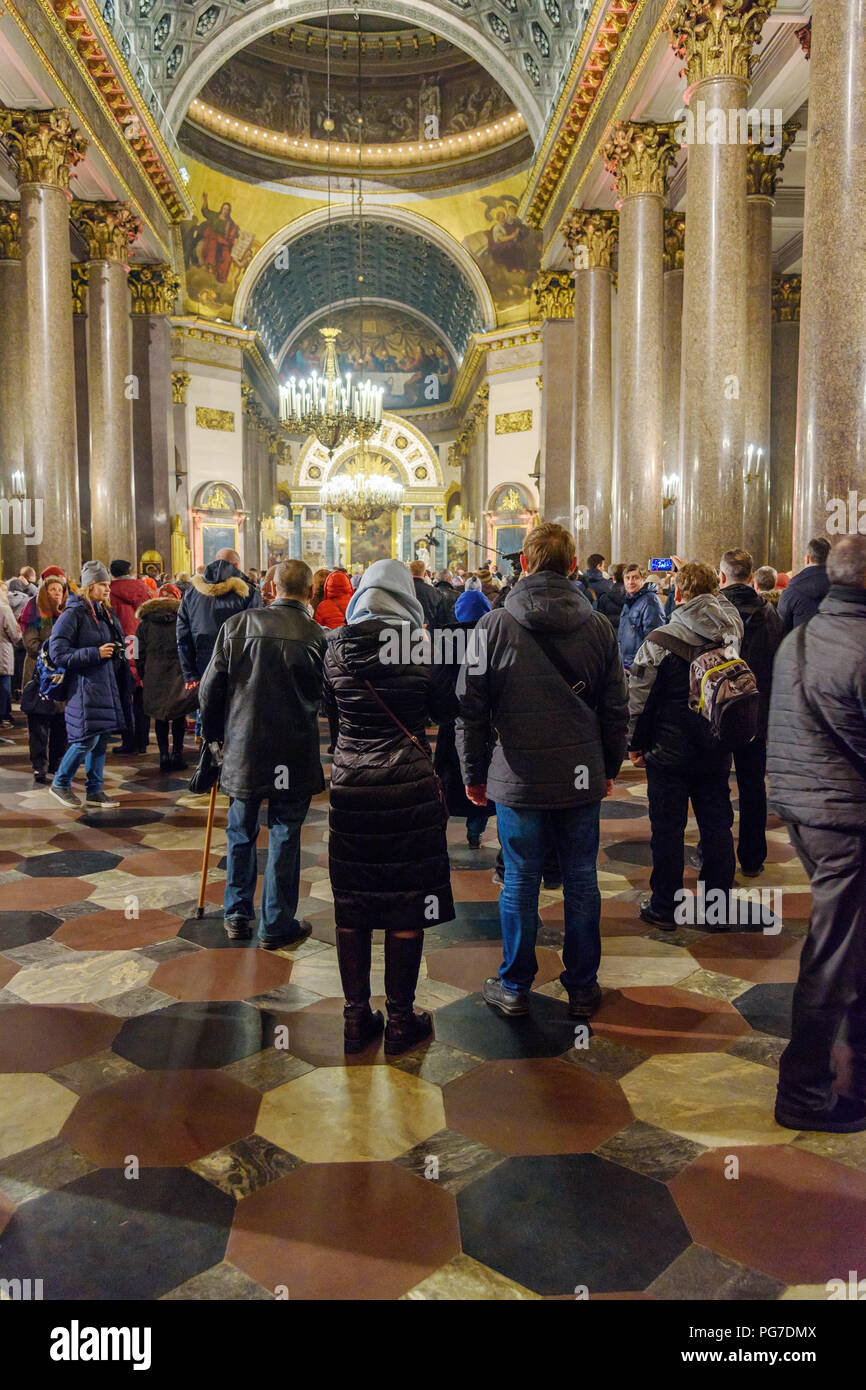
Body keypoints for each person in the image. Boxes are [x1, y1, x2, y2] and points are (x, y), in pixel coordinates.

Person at [457, 522, 628, 1019]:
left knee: (520, 881)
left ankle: (514, 985)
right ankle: (582, 986)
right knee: (580, 879)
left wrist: (472, 773)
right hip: (580, 772)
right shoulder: (598, 626)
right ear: (574, 565)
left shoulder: (492, 626)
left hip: (518, 774)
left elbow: (470, 709)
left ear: (525, 564)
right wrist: (608, 766)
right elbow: (616, 708)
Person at [324, 559, 455, 1054]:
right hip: (410, 790)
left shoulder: (335, 646)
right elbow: (446, 713)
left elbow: (330, 713)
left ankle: (356, 1018)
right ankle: (400, 1019)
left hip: (352, 787)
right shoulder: (422, 648)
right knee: (407, 901)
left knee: (352, 904)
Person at [767, 535, 866, 1133]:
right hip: (845, 819)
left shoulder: (801, 637)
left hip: (805, 810)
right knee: (830, 956)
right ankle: (802, 1092)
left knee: (848, 944)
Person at [199, 560, 325, 947]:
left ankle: (236, 914)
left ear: (271, 586)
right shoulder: (317, 635)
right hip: (294, 750)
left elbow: (209, 690)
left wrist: (215, 736)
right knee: (286, 834)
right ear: (310, 592)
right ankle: (276, 923)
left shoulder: (238, 626)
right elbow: (327, 697)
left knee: (241, 830)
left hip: (244, 748)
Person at [627, 562, 743, 928]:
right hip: (716, 743)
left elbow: (639, 700)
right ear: (716, 588)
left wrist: (634, 743)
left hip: (668, 750)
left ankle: (665, 906)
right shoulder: (732, 631)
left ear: (679, 593)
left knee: (667, 829)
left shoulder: (660, 640)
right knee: (717, 826)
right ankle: (717, 908)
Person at [719, 548, 784, 877]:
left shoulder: (713, 611)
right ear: (751, 575)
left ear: (722, 576)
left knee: (715, 786)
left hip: (717, 713)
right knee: (753, 786)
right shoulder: (770, 614)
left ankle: (715, 854)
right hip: (756, 711)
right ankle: (753, 856)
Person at [48, 562, 133, 809]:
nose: (108, 590)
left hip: (105, 685)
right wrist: (95, 653)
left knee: (102, 737)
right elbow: (58, 654)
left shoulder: (104, 613)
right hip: (84, 687)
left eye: (109, 585)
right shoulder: (72, 614)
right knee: (86, 739)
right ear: (90, 586)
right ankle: (60, 783)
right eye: (103, 585)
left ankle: (95, 790)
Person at [434, 586, 495, 848]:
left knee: (449, 777)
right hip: (484, 722)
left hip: (452, 721)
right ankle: (474, 830)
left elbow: (437, 680)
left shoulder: (446, 638)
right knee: (480, 773)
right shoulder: (493, 636)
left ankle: (441, 829)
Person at [176, 548, 261, 690]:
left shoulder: (192, 592)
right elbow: (255, 634)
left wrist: (189, 673)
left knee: (207, 708)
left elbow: (183, 635)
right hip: (239, 669)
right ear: (236, 566)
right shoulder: (248, 592)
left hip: (202, 665)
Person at [136, 584, 195, 772]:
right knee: (178, 715)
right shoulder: (183, 619)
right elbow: (189, 646)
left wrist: (142, 671)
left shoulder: (145, 622)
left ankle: (163, 755)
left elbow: (138, 651)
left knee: (160, 716)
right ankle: (177, 754)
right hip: (178, 673)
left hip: (154, 672)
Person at [21, 573, 69, 782]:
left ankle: (57, 762)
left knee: (61, 723)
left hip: (62, 676)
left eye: (60, 590)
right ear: (44, 592)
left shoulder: (68, 615)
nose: (57, 593)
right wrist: (56, 651)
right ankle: (39, 764)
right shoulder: (35, 613)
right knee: (39, 724)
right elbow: (31, 645)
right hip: (39, 675)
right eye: (53, 590)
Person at [109, 560, 151, 754]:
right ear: (130, 571)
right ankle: (143, 740)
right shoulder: (142, 588)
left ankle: (128, 741)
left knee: (125, 694)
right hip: (140, 643)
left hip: (119, 646)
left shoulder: (109, 591)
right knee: (141, 694)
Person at [617, 564, 666, 670]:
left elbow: (654, 638)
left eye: (635, 577)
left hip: (639, 665)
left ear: (643, 580)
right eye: (627, 578)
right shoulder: (630, 600)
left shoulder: (651, 600)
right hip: (626, 663)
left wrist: (642, 664)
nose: (630, 582)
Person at [779, 537, 831, 632]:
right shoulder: (841, 588)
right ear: (830, 559)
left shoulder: (791, 590)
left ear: (807, 559)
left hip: (801, 644)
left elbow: (781, 627)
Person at [0, 582, 22, 729]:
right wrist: (19, 634)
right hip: (2, 651)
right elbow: (14, 634)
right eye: (4, 590)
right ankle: (3, 716)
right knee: (4, 685)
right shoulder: (4, 608)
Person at [408, 559, 446, 629]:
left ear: (409, 572)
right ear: (425, 573)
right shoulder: (433, 591)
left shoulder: (404, 589)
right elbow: (440, 615)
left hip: (407, 629)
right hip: (429, 629)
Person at [596, 562, 626, 633]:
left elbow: (599, 620)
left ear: (614, 578)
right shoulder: (636, 598)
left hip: (608, 633)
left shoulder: (604, 597)